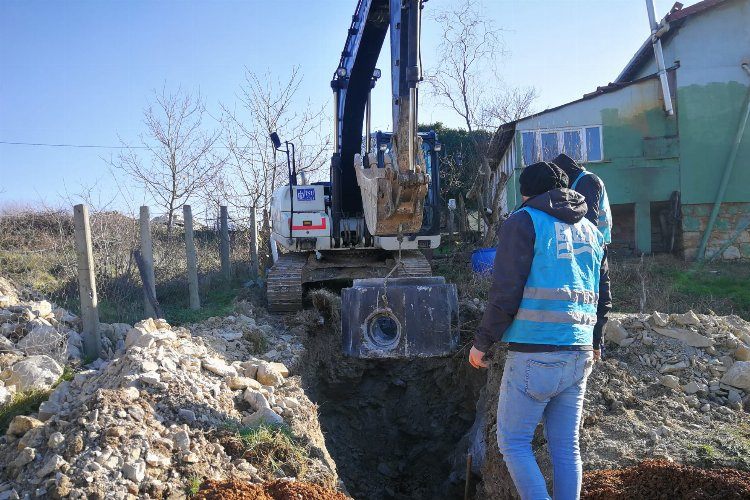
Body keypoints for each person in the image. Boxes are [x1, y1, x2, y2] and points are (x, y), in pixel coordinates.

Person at [469, 161, 611, 500]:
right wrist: (596, 340)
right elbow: (604, 294)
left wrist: (482, 343)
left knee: (514, 443)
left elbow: (506, 290)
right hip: (579, 353)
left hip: (535, 354)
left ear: (527, 193)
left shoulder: (524, 221)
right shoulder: (592, 230)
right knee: (566, 447)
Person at [552, 153, 612, 245]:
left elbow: (589, 217)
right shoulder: (577, 181)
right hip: (588, 239)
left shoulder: (587, 181)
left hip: (594, 240)